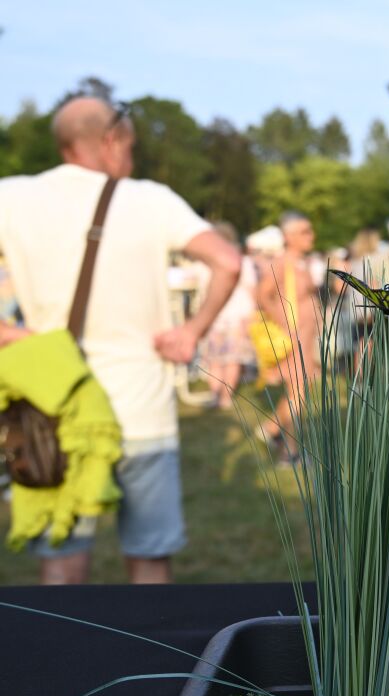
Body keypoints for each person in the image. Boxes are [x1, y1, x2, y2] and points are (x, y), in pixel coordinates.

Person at [0, 96, 241, 584]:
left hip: (55, 409)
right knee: (149, 559)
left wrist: (9, 334)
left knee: (62, 559)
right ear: (111, 141)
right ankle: (150, 658)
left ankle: (65, 661)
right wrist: (190, 331)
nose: (130, 160)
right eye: (130, 146)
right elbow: (229, 261)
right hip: (141, 409)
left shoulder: (12, 196)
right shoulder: (151, 199)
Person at [256, 211, 321, 463]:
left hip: (305, 335)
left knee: (302, 388)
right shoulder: (283, 262)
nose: (311, 236)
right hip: (294, 336)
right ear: (289, 236)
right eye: (305, 231)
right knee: (297, 393)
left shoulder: (299, 261)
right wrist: (282, 324)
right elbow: (263, 295)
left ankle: (271, 429)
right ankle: (289, 452)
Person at [198, 222, 257, 410]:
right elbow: (251, 288)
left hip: (216, 316)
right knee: (232, 358)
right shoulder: (242, 260)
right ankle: (224, 397)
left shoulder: (206, 262)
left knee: (215, 358)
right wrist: (252, 312)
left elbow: (202, 290)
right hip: (236, 314)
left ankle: (216, 394)